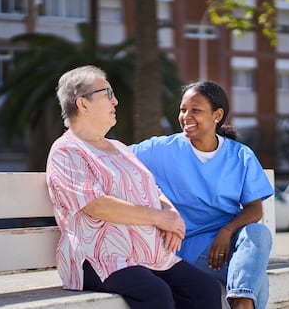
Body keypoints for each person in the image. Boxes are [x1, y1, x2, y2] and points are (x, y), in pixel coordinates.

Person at [45, 66, 222, 309]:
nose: (115, 101)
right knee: (155, 294)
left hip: (148, 255)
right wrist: (160, 218)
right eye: (107, 93)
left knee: (205, 289)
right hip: (99, 258)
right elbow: (96, 205)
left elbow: (153, 188)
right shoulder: (67, 150)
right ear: (82, 104)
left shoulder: (120, 149)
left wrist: (172, 217)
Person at [130, 80, 274, 309]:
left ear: (217, 115)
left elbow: (254, 209)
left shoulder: (240, 155)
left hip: (228, 244)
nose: (186, 116)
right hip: (186, 248)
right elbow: (116, 157)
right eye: (183, 109)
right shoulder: (161, 150)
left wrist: (227, 232)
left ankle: (243, 302)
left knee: (258, 233)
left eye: (195, 110)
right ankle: (243, 303)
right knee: (256, 280)